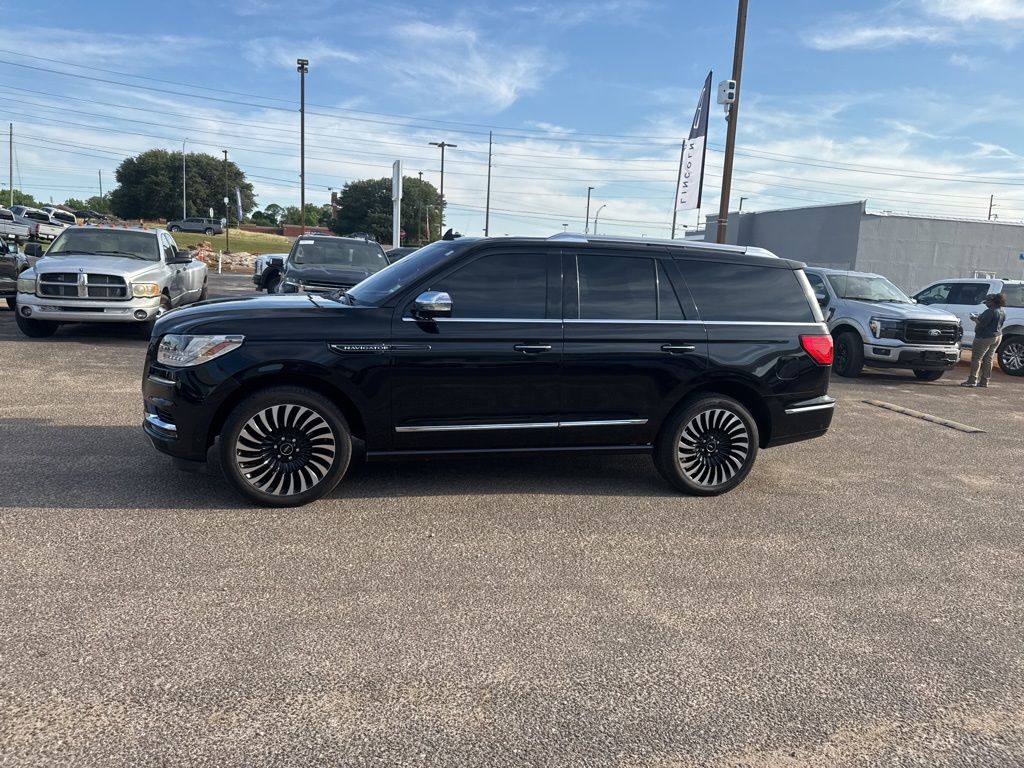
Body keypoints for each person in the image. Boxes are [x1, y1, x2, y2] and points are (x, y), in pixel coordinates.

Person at [961, 292, 1006, 388]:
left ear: (992, 301)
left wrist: (974, 319)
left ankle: (972, 380)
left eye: (987, 302)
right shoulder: (1002, 311)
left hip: (984, 337)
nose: (986, 304)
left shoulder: (990, 311)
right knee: (988, 359)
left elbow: (982, 324)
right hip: (997, 336)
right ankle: (984, 381)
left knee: (976, 359)